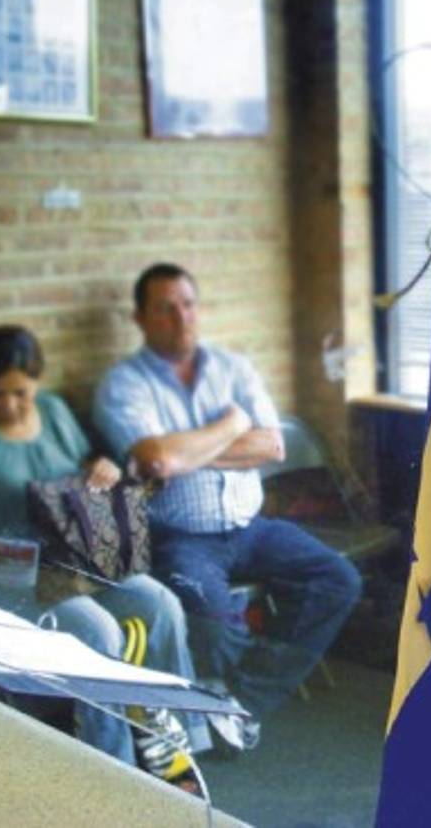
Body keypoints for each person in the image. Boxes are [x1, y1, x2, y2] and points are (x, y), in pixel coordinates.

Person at [0, 324, 211, 778]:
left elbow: (83, 475)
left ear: (36, 382)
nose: (9, 405)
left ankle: (182, 740)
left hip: (75, 555)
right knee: (100, 632)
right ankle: (114, 765)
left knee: (162, 604)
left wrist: (103, 469)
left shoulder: (55, 413)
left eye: (20, 393)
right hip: (10, 570)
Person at [92, 262, 362, 720]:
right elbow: (158, 461)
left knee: (338, 580)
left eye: (188, 305)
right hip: (181, 539)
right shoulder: (124, 384)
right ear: (140, 318)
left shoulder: (233, 368)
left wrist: (185, 451)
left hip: (251, 528)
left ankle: (242, 704)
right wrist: (233, 424)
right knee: (214, 628)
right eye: (165, 309)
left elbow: (271, 445)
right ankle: (227, 703)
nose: (181, 318)